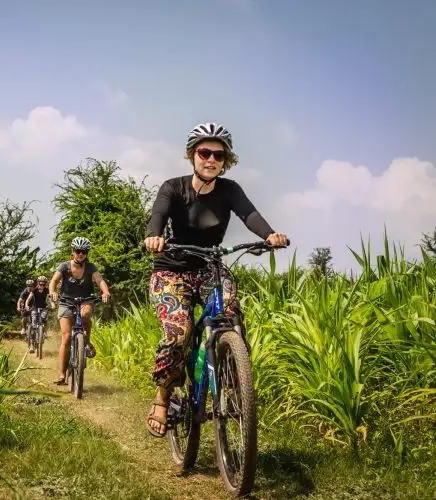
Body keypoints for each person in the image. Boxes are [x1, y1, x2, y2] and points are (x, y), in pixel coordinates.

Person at [142, 122, 288, 438]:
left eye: (218, 154)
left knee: (232, 314)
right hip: (171, 271)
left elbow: (249, 215)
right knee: (178, 332)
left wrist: (269, 234)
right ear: (192, 155)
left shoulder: (230, 190)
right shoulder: (173, 187)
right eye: (204, 152)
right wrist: (153, 236)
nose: (211, 159)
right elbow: (158, 216)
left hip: (210, 268)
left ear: (226, 160)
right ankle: (162, 397)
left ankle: (237, 387)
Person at [48, 236, 111, 385]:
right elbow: (54, 281)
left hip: (85, 300)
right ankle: (62, 375)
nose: (80, 254)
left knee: (86, 314)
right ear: (73, 251)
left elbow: (100, 280)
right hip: (66, 302)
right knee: (66, 337)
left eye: (83, 251)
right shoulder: (64, 266)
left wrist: (105, 292)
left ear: (87, 252)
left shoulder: (91, 267)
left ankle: (86, 342)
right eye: (78, 251)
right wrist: (53, 292)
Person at [25, 275, 50, 353]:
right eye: (40, 284)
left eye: (43, 284)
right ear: (38, 283)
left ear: (45, 284)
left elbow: (50, 298)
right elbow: (28, 299)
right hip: (35, 308)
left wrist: (52, 304)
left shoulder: (47, 290)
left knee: (44, 318)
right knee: (34, 324)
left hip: (43, 308)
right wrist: (26, 305)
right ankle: (32, 344)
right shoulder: (34, 290)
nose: (41, 286)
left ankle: (44, 332)